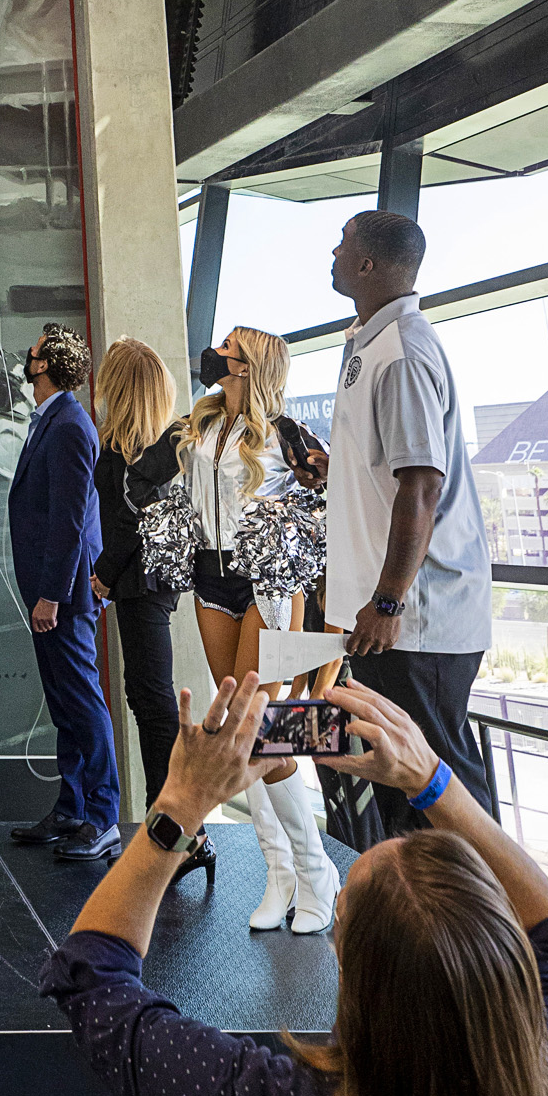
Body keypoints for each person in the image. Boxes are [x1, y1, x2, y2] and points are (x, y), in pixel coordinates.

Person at [42, 672, 548, 1096]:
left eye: (344, 904)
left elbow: (95, 979)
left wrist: (180, 803)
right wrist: (436, 782)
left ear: (353, 969)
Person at [130, 323, 334, 933]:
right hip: (211, 578)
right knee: (247, 732)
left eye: (228, 351)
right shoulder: (200, 427)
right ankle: (280, 873)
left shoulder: (289, 437)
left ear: (250, 366)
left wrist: (295, 540)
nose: (214, 356)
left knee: (262, 728)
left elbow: (332, 503)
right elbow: (138, 481)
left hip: (269, 582)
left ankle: (314, 869)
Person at [311, 207, 495, 833]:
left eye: (341, 246)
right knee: (402, 781)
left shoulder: (403, 352)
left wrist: (387, 603)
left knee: (439, 786)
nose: (332, 254)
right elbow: (389, 469)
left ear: (366, 263)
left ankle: (500, 923)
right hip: (393, 619)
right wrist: (329, 469)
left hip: (418, 622)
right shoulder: (368, 344)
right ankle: (423, 925)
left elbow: (420, 487)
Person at [7, 326, 121, 862]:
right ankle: (73, 807)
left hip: (66, 596)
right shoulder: (53, 419)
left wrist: (51, 594)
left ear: (45, 366)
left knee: (83, 701)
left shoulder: (71, 425)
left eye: (31, 356)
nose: (24, 362)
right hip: (53, 593)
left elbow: (71, 520)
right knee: (65, 704)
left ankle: (103, 817)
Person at [89, 340, 193, 837]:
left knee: (152, 699)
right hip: (140, 581)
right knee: (145, 696)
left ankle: (175, 824)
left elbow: (130, 522)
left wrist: (104, 573)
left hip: (140, 581)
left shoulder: (144, 453)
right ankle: (168, 819)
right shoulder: (138, 448)